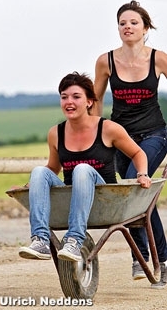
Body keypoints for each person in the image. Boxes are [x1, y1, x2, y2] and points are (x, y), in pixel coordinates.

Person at [18, 72, 151, 265]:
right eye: (64, 97)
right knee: (39, 171)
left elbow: (138, 153)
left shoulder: (108, 128)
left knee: (82, 169)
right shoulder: (56, 133)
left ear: (89, 102)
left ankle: (74, 240)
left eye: (76, 97)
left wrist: (142, 174)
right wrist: (34, 183)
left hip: (104, 197)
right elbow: (53, 167)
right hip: (73, 196)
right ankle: (40, 240)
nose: (69, 102)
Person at [93, 0, 167, 286]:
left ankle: (143, 257)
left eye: (134, 22)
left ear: (145, 28)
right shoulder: (106, 61)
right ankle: (149, 256)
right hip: (119, 138)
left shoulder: (159, 59)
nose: (127, 27)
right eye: (123, 23)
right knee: (137, 198)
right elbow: (96, 99)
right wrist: (96, 135)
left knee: (131, 184)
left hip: (155, 135)